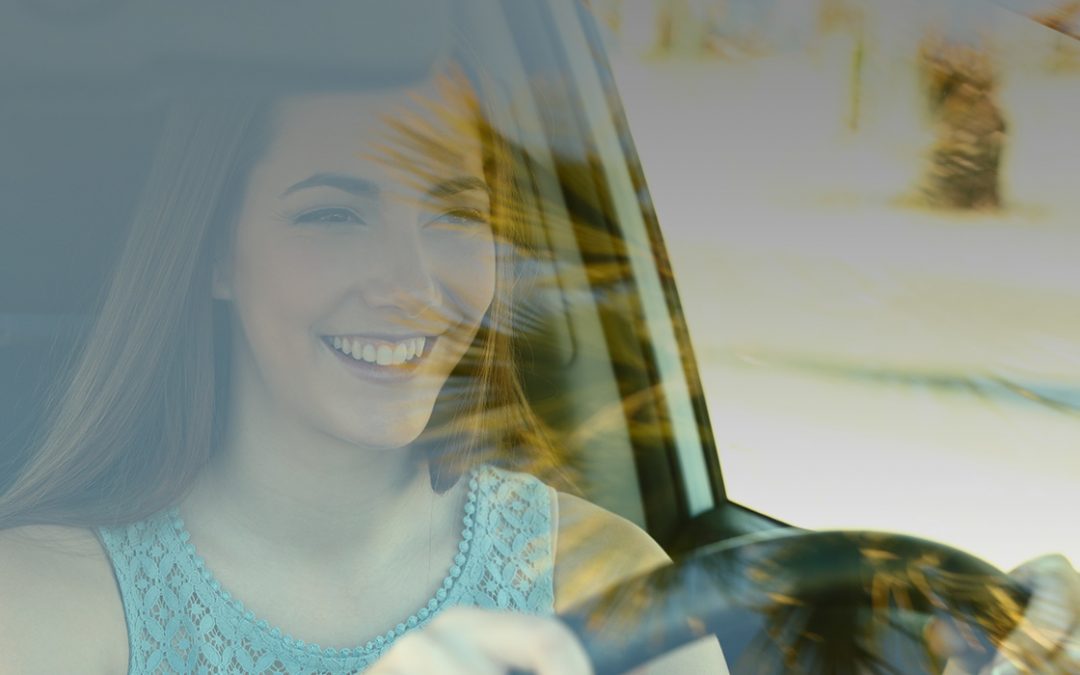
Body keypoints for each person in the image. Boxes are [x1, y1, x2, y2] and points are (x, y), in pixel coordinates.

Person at [0, 40, 1075, 675]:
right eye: (332, 214)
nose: (412, 280)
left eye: (458, 215)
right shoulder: (40, 610)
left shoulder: (604, 577)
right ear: (217, 256)